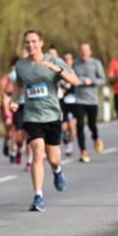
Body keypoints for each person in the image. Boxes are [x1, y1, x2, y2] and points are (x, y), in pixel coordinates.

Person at [11, 30, 78, 211]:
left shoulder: (53, 61)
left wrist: (59, 70)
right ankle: (38, 195)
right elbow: (18, 85)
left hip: (52, 115)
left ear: (41, 42)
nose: (30, 45)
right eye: (27, 42)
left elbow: (75, 81)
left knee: (53, 158)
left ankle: (57, 170)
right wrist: (14, 100)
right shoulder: (21, 65)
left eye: (34, 41)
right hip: (32, 116)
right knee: (37, 154)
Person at [71, 42, 105, 163]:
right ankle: (83, 151)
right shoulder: (75, 64)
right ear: (79, 51)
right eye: (82, 50)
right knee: (79, 125)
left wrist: (92, 81)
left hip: (92, 100)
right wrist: (80, 80)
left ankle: (95, 138)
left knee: (92, 125)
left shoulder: (96, 63)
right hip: (79, 100)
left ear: (90, 51)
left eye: (86, 50)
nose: (84, 52)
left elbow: (102, 80)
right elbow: (71, 77)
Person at [58, 50, 77, 157]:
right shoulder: (59, 71)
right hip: (62, 102)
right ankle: (66, 141)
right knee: (63, 127)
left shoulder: (74, 71)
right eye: (65, 59)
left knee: (71, 125)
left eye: (69, 59)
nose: (67, 61)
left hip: (73, 102)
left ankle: (70, 144)